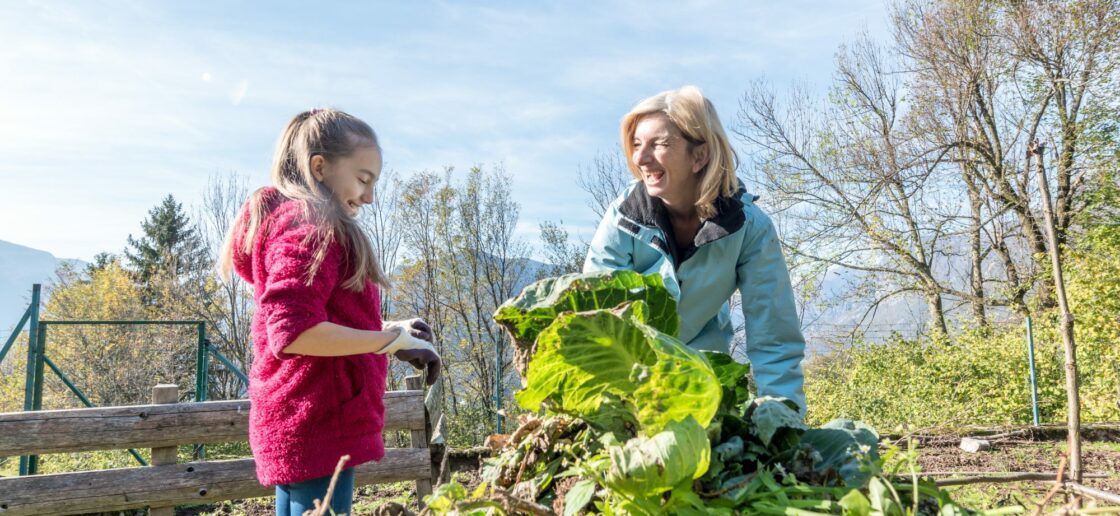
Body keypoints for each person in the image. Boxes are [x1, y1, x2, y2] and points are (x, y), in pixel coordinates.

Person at [218, 108, 441, 515]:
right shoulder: (313, 227)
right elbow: (296, 333)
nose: (370, 196)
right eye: (363, 179)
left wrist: (390, 329)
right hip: (317, 420)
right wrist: (388, 342)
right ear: (319, 167)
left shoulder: (293, 224)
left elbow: (318, 319)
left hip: (299, 420)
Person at [584, 86, 806, 412]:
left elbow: (774, 338)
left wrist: (783, 423)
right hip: (626, 381)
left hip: (701, 380)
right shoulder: (623, 219)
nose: (640, 158)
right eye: (636, 144)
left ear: (699, 156)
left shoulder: (750, 229)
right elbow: (593, 316)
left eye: (659, 144)